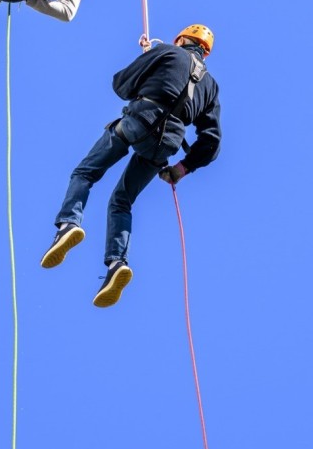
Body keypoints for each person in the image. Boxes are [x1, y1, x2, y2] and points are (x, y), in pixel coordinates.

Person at [40, 24, 221, 308]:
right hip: (165, 146)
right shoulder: (210, 86)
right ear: (205, 53)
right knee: (122, 202)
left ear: (182, 40)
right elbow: (212, 142)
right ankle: (116, 264)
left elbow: (121, 85)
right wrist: (181, 169)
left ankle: (68, 224)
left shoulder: (168, 53)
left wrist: (149, 60)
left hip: (139, 122)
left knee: (86, 173)